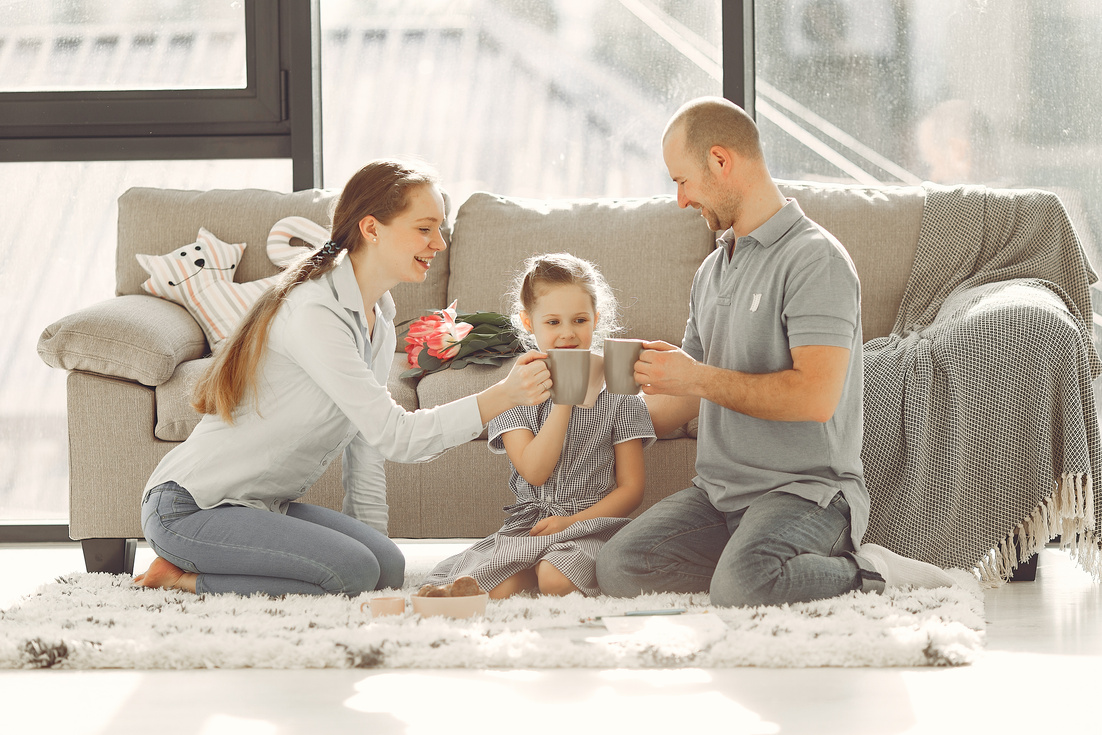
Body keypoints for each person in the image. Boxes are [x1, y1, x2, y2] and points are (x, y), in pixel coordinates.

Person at [595, 97, 955, 607]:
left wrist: (695, 376)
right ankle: (751, 561)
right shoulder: (712, 270)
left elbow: (814, 397)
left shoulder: (815, 260)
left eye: (681, 181)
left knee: (744, 585)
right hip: (718, 495)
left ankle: (871, 573)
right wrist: (598, 414)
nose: (679, 200)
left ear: (720, 161)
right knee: (621, 568)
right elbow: (684, 400)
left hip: (805, 492)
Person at [134, 159, 551, 597]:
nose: (440, 244)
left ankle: (291, 563)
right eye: (425, 228)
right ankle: (185, 576)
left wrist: (372, 555)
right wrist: (504, 394)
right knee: (351, 574)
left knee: (383, 568)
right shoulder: (315, 312)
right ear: (372, 229)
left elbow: (366, 447)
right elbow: (398, 437)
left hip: (259, 507)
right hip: (191, 506)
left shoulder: (378, 320)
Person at [423, 253, 656, 598]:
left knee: (555, 579)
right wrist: (565, 397)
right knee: (489, 584)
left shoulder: (620, 397)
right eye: (553, 322)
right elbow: (535, 472)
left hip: (591, 525)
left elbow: (631, 490)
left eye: (579, 320)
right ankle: (515, 571)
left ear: (596, 318)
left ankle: (538, 567)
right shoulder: (513, 393)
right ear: (528, 322)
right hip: (532, 525)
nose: (568, 334)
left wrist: (571, 523)